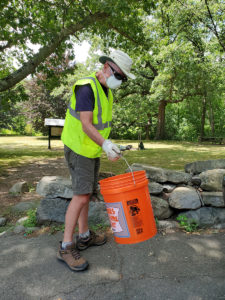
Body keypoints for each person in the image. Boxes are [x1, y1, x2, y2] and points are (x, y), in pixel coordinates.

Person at [57, 50, 135, 271]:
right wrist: (105, 145)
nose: (120, 81)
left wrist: (108, 146)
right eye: (118, 75)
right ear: (106, 67)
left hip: (91, 149)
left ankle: (84, 236)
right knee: (80, 196)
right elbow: (86, 124)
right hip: (78, 148)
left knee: (86, 195)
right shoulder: (86, 87)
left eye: (123, 78)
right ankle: (65, 246)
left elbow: (101, 126)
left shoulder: (106, 91)